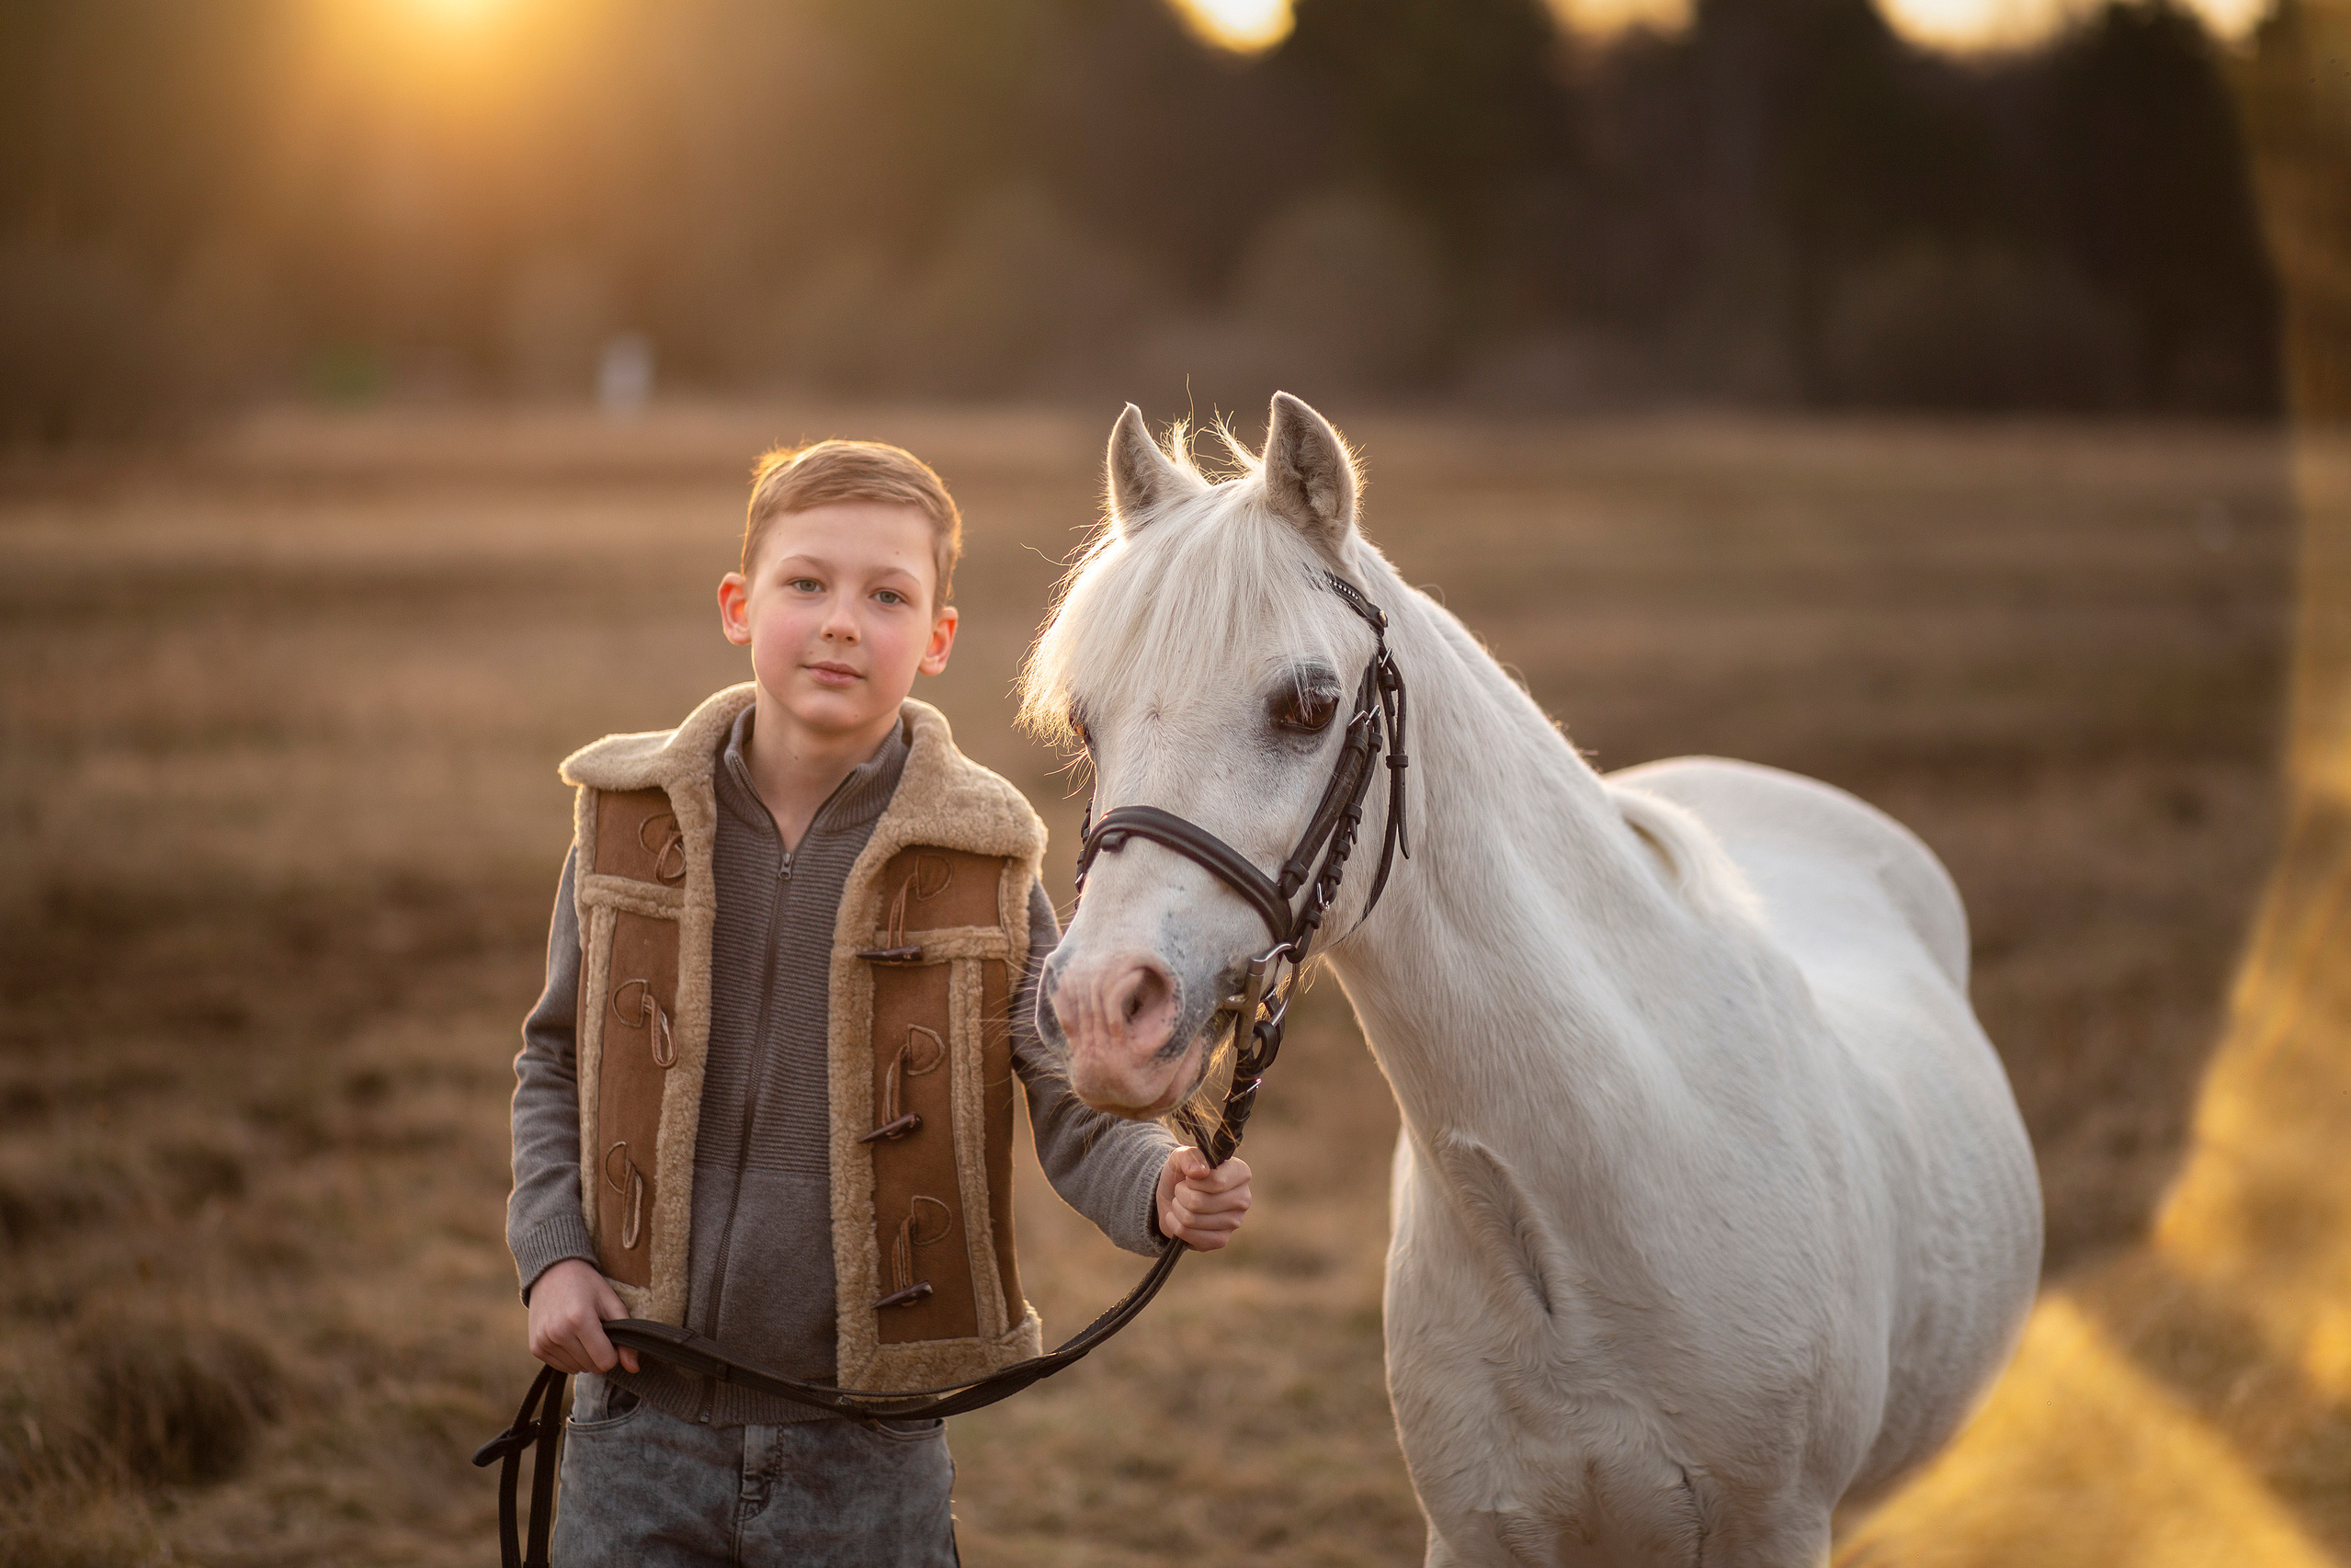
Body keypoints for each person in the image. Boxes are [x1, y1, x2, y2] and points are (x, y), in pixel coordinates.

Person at [506, 439, 1253, 1565]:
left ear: (939, 638)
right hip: (635, 1416)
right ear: (737, 605)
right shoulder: (625, 821)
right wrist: (554, 1249)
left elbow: (1063, 1087)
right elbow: (555, 1060)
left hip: (868, 1450)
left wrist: (1158, 1185)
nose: (842, 621)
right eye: (805, 583)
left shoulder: (984, 855)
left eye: (886, 595)